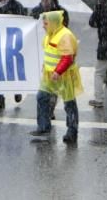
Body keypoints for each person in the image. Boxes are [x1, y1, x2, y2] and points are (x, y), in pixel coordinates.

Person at [29, 11, 82, 144]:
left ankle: (72, 131)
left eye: (45, 23)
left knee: (69, 104)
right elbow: (50, 53)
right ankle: (43, 126)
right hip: (50, 75)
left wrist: (58, 71)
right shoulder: (50, 35)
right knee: (42, 96)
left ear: (53, 23)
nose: (43, 26)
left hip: (64, 76)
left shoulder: (65, 36)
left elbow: (67, 58)